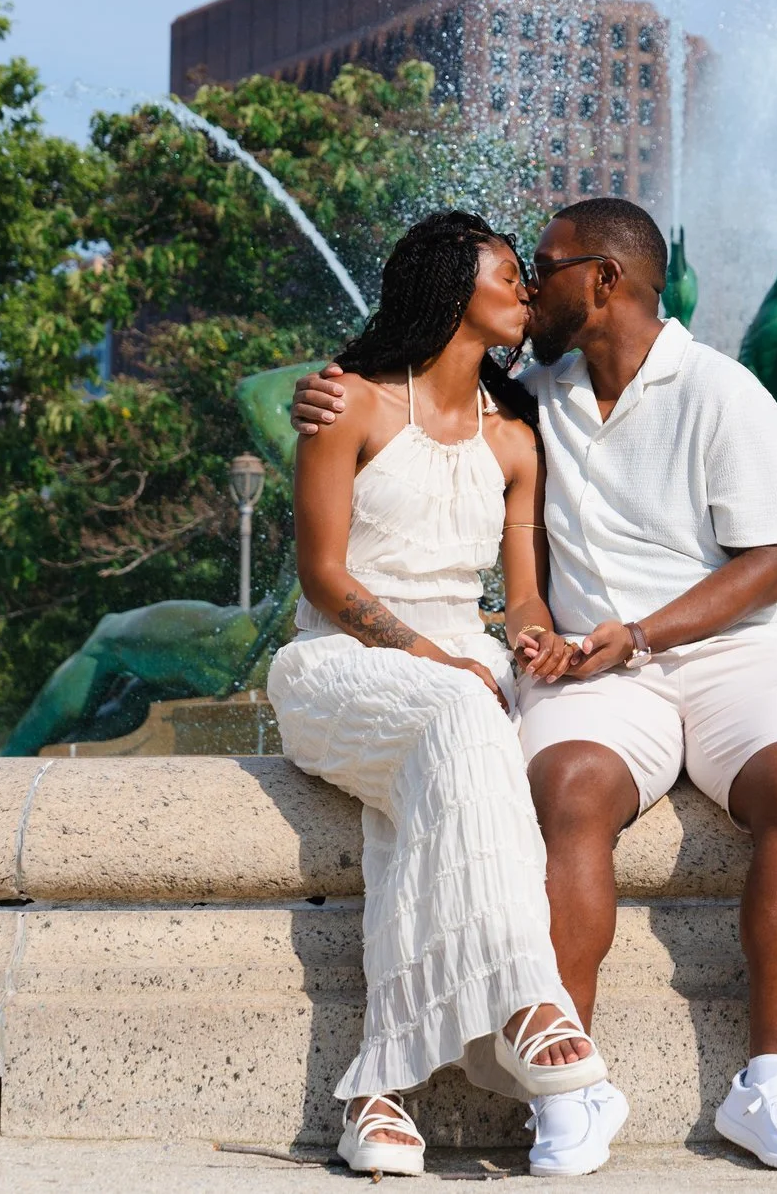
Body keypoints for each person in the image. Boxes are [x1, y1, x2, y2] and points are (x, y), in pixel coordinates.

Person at [297, 196, 777, 1173]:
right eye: (513, 271)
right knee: (566, 791)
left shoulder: (721, 393)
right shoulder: (531, 395)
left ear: (604, 279)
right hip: (583, 671)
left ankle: (771, 1082)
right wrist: (540, 641)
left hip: (732, 650)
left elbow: (771, 561)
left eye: (540, 267)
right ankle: (570, 1084)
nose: (527, 285)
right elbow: (405, 410)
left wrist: (606, 634)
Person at [269, 210, 615, 1180]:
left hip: (461, 665)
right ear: (452, 290)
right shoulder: (347, 405)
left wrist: (535, 636)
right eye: (509, 275)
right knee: (466, 710)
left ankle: (378, 1094)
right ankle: (528, 998)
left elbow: (521, 596)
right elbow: (326, 577)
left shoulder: (515, 441)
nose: (526, 292)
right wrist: (431, 653)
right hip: (340, 661)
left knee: (426, 795)